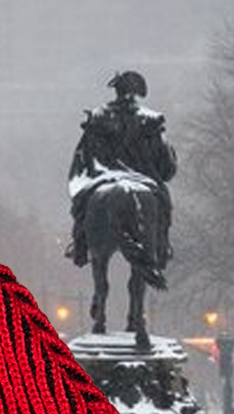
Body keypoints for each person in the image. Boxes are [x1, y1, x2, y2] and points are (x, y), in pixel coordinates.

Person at [65, 70, 177, 269]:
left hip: (105, 176)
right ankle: (162, 246)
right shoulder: (151, 120)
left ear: (116, 91)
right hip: (144, 177)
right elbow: (166, 163)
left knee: (81, 206)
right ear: (136, 93)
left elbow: (84, 156)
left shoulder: (99, 117)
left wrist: (82, 180)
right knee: (163, 205)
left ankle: (80, 243)